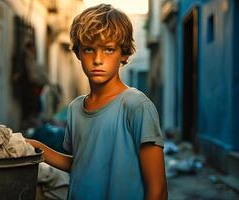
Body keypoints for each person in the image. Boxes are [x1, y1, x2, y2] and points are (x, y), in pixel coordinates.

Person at [26, 4, 167, 200]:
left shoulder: (136, 105)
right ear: (78, 53)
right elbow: (81, 163)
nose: (98, 59)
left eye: (108, 49)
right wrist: (34, 146)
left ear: (124, 54)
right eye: (89, 49)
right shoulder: (75, 108)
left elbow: (157, 190)